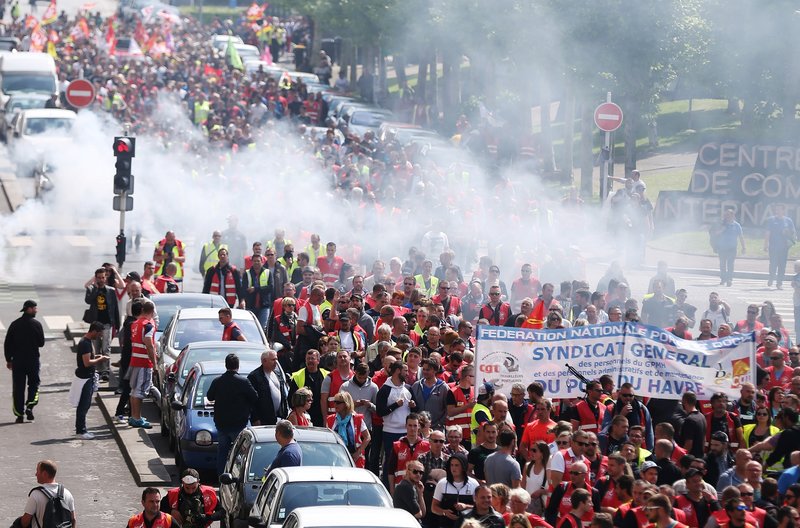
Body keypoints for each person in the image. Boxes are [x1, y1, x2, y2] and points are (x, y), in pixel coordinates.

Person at [207, 353, 259, 476]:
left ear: (226, 365)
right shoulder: (243, 381)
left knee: (222, 452)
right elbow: (255, 397)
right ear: (238, 366)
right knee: (239, 454)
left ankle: (221, 478)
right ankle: (236, 477)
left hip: (221, 424)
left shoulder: (218, 381)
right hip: (238, 423)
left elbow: (209, 396)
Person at [5, 300, 45, 423]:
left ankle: (19, 414)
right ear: (29, 309)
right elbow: (41, 343)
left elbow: (7, 344)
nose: (36, 310)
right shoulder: (37, 324)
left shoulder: (14, 324)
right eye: (34, 308)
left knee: (18, 388)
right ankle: (30, 406)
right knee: (34, 384)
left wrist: (8, 359)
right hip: (32, 360)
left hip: (18, 361)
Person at [14, 460, 76, 528]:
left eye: (37, 471)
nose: (36, 474)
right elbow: (73, 519)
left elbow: (25, 522)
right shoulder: (67, 493)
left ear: (44, 474)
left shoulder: (36, 494)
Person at [84, 268, 120, 381]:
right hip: (95, 324)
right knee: (96, 347)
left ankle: (105, 370)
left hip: (107, 323)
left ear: (106, 278)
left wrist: (117, 324)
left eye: (103, 277)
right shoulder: (91, 289)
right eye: (99, 278)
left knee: (106, 347)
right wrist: (95, 289)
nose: (101, 280)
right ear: (96, 278)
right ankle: (97, 370)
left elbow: (115, 309)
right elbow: (88, 301)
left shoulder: (111, 291)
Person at [128, 300, 158, 429]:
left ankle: (135, 416)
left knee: (134, 390)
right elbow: (149, 344)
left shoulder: (135, 324)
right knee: (140, 391)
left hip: (134, 360)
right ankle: (136, 418)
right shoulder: (148, 325)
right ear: (152, 312)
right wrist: (155, 364)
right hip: (144, 362)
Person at [74, 321, 107, 439]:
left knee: (85, 404)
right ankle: (81, 431)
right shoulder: (85, 343)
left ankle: (81, 429)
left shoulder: (88, 342)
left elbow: (89, 358)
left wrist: (96, 357)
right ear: (94, 331)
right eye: (99, 333)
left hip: (88, 377)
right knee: (84, 404)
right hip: (85, 377)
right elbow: (87, 362)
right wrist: (100, 359)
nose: (100, 336)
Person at [432, 452, 479, 528]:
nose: (453, 468)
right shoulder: (442, 483)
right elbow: (434, 507)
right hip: (446, 524)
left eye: (457, 465)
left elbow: (479, 507)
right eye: (451, 465)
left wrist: (465, 506)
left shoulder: (473, 484)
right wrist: (444, 512)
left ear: (463, 466)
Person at [327, 391, 371, 468]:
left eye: (338, 402)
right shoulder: (330, 419)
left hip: (354, 458)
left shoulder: (357, 419)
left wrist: (358, 453)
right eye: (334, 402)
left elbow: (367, 437)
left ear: (346, 404)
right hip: (335, 457)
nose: (335, 405)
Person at [248, 349, 289, 426]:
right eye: (273, 360)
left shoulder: (277, 374)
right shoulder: (254, 376)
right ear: (264, 361)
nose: (276, 362)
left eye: (277, 359)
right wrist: (255, 419)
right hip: (263, 420)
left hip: (279, 419)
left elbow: (283, 396)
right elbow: (251, 401)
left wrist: (285, 413)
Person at [764, 204, 796, 289]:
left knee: (782, 265)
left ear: (783, 210)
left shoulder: (788, 221)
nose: (777, 211)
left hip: (784, 247)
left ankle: (779, 283)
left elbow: (793, 233)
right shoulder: (771, 220)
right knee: (773, 264)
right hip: (773, 247)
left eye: (779, 209)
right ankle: (771, 278)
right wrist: (765, 244)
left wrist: (788, 234)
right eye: (776, 209)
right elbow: (768, 232)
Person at [712, 207, 746, 287]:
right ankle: (723, 279)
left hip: (732, 248)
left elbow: (741, 236)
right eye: (726, 215)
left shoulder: (737, 225)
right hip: (722, 248)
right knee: (722, 264)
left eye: (729, 215)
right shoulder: (722, 224)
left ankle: (729, 279)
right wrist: (722, 230)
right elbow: (715, 234)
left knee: (730, 264)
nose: (727, 217)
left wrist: (744, 247)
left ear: (733, 216)